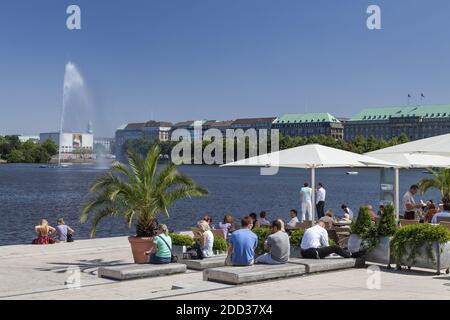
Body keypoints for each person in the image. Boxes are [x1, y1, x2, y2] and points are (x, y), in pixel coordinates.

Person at [300, 217, 365, 259]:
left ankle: (348, 254)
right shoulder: (322, 230)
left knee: (321, 249)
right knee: (335, 247)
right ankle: (351, 255)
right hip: (313, 253)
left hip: (303, 253)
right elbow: (326, 245)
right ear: (323, 225)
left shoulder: (308, 229)